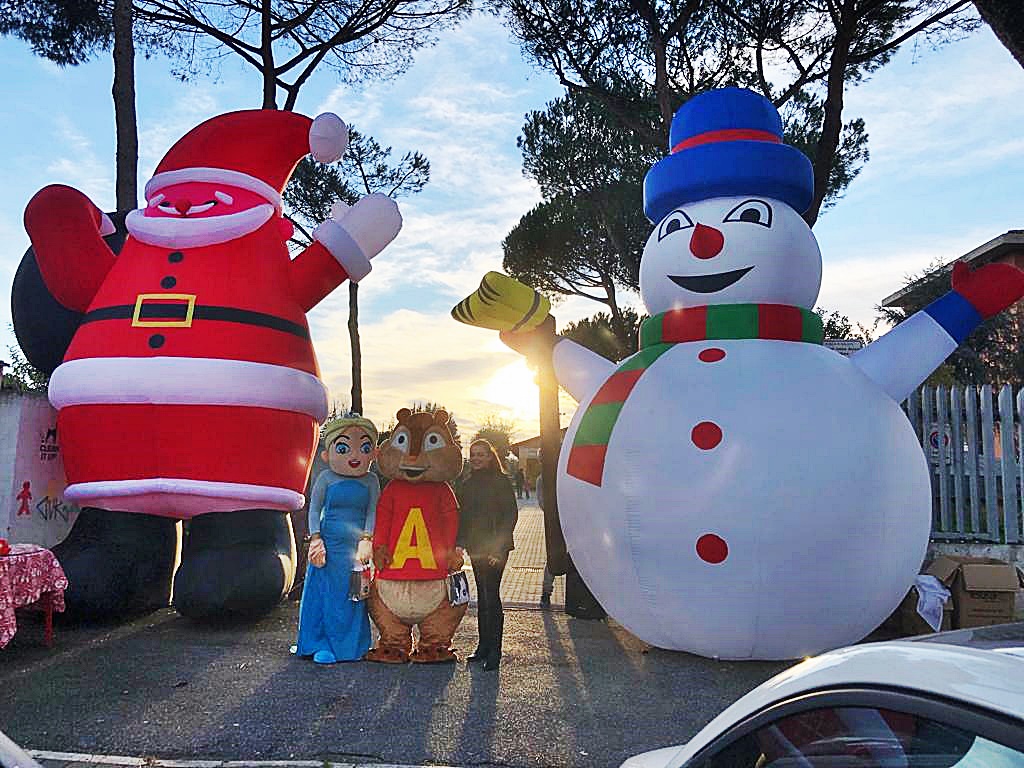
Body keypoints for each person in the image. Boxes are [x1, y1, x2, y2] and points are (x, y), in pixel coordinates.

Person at [293, 414, 380, 664]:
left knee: (353, 595)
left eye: (364, 447)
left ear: (372, 453)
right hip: (328, 547)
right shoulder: (326, 478)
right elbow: (313, 508)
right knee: (325, 593)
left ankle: (352, 645)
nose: (354, 455)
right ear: (327, 454)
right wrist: (316, 539)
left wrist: (367, 538)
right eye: (343, 448)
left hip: (356, 550)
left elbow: (373, 510)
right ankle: (320, 642)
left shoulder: (372, 480)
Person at [456, 439, 519, 671]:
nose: (477, 458)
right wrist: (459, 543)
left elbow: (510, 515)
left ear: (491, 456)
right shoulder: (468, 482)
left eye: (481, 454)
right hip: (476, 547)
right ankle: (483, 646)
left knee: (492, 596)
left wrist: (498, 547)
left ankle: (495, 651)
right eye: (473, 454)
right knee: (482, 596)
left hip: (495, 549)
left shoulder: (500, 481)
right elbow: (463, 516)